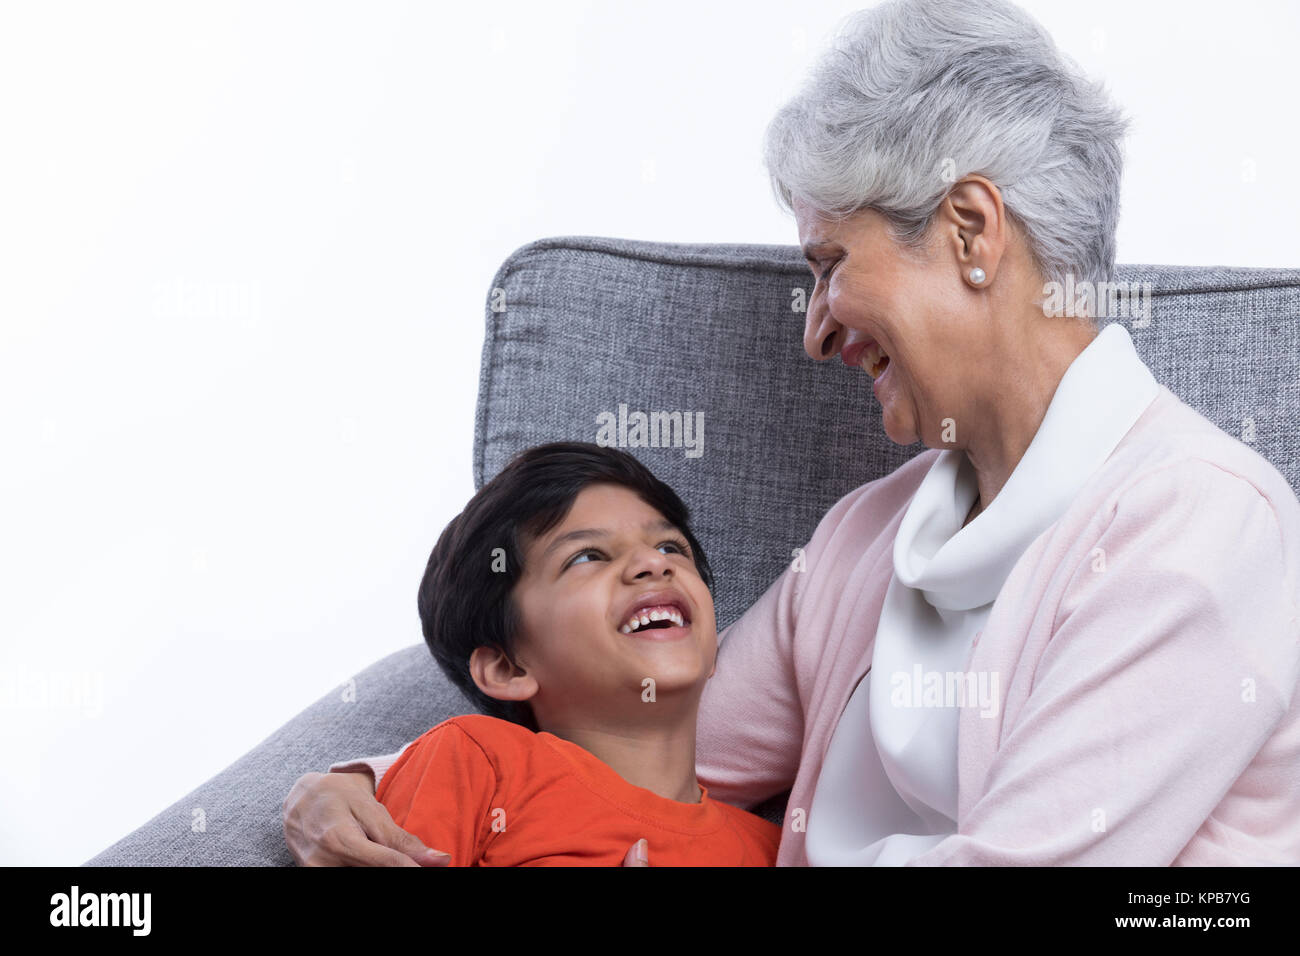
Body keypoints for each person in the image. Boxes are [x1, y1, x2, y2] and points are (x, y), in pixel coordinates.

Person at [283, 0, 1300, 866]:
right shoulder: (865, 540)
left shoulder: (1204, 524)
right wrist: (372, 783)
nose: (815, 332)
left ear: (970, 232)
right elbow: (634, 742)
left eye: (828, 263)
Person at [335, 441, 779, 866]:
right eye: (588, 556)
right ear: (508, 667)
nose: (655, 564)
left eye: (670, 547)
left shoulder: (777, 850)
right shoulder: (475, 765)